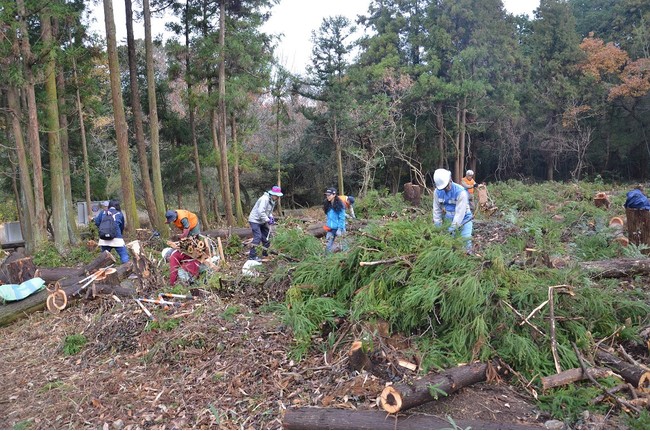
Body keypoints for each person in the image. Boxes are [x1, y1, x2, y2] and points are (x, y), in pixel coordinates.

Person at [433, 169, 473, 254]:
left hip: (464, 219)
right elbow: (437, 210)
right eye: (444, 187)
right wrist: (438, 225)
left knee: (465, 241)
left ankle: (468, 256)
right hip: (448, 218)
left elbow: (459, 214)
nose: (447, 188)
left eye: (447, 185)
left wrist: (452, 229)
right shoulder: (437, 192)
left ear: (450, 179)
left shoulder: (460, 192)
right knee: (450, 244)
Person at [248, 185, 283, 261]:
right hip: (255, 220)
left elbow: (268, 211)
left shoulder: (272, 201)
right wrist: (267, 220)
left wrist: (271, 217)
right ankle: (252, 256)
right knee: (258, 237)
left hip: (262, 221)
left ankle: (265, 253)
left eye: (278, 196)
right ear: (272, 194)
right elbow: (261, 212)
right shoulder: (264, 199)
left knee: (267, 237)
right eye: (277, 196)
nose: (277, 198)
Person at [323, 187, 347, 253]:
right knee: (328, 245)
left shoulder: (340, 204)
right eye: (327, 195)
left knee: (344, 245)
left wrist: (340, 228)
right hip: (330, 228)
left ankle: (346, 256)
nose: (328, 197)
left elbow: (342, 218)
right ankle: (327, 258)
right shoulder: (327, 204)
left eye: (329, 195)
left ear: (334, 195)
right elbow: (328, 216)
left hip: (339, 228)